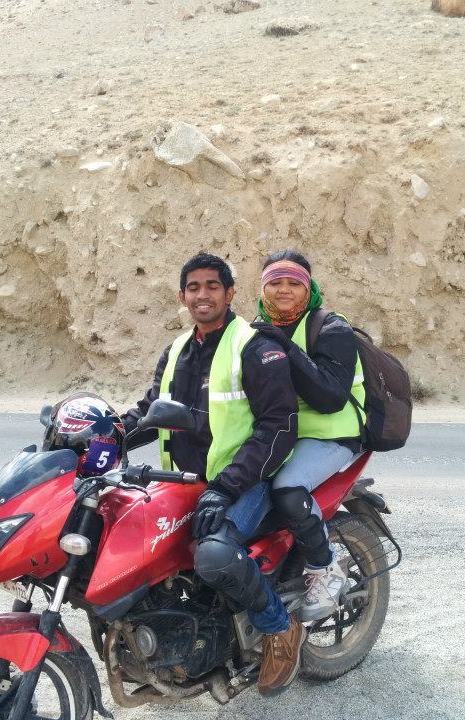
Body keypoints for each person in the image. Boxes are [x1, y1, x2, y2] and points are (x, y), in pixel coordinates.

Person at [121, 252, 305, 696]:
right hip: (181, 482)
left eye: (212, 286)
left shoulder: (256, 347)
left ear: (230, 293)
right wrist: (99, 436)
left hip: (241, 481)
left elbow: (279, 426)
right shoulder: (178, 349)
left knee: (213, 556)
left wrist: (225, 487)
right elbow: (148, 411)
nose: (202, 295)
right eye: (193, 287)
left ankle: (279, 628)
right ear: (182, 296)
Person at [249, 250, 365, 622]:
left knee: (287, 487)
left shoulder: (331, 328)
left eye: (293, 283)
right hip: (280, 432)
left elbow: (330, 398)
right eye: (275, 283)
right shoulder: (252, 328)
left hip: (333, 433)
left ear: (308, 287)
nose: (284, 290)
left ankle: (325, 567)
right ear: (263, 287)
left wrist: (284, 346)